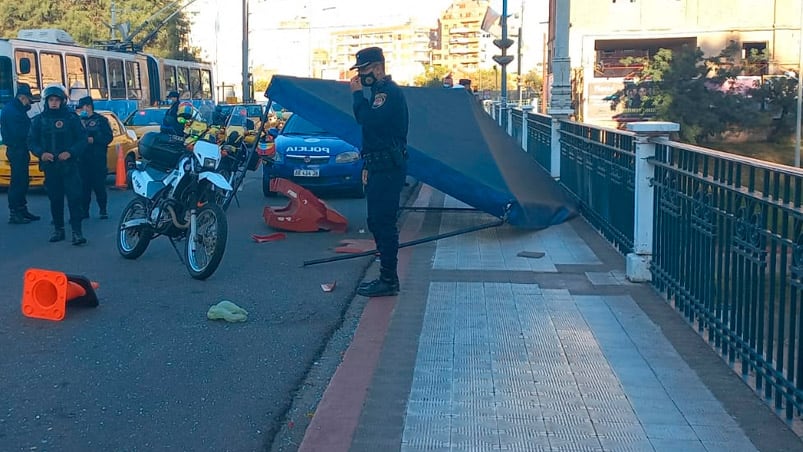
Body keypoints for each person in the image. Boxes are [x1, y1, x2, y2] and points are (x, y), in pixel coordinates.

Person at [349, 46, 409, 298]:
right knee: (375, 220)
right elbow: (373, 135)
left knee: (383, 222)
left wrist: (356, 96)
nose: (361, 76)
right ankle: (386, 276)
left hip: (388, 168)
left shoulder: (387, 93)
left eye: (363, 70)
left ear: (377, 67)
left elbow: (369, 121)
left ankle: (388, 279)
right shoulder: (377, 93)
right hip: (377, 165)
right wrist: (367, 165)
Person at [28, 85, 88, 245]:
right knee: (55, 199)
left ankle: (77, 232)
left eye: (57, 100)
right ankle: (59, 230)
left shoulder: (72, 119)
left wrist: (71, 152)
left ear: (62, 101)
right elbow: (31, 141)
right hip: (51, 166)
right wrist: (41, 153)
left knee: (74, 198)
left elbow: (82, 140)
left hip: (69, 166)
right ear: (46, 102)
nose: (54, 103)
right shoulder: (39, 120)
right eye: (51, 100)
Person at [1, 83, 40, 224]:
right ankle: (15, 212)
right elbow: (20, 132)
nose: (29, 104)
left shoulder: (15, 109)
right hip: (17, 149)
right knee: (18, 181)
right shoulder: (13, 112)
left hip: (20, 149)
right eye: (28, 101)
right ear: (22, 98)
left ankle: (22, 209)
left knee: (23, 180)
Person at [76, 96, 113, 219]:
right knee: (83, 187)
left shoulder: (101, 120)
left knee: (99, 186)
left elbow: (108, 137)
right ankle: (84, 211)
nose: (81, 110)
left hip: (97, 158)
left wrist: (95, 140)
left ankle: (103, 209)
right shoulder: (77, 121)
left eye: (83, 107)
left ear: (88, 106)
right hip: (82, 159)